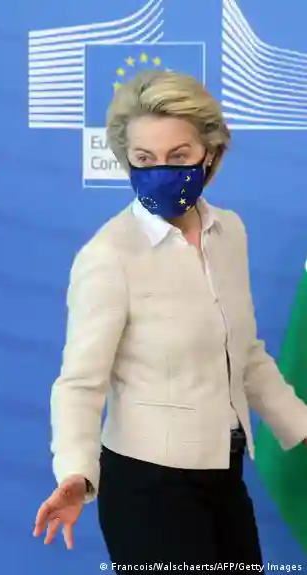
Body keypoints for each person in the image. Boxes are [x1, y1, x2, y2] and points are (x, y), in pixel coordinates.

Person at [32, 70, 307, 568]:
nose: (161, 171)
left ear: (210, 153)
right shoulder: (109, 255)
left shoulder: (230, 232)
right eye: (144, 159)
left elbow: (245, 355)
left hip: (224, 478)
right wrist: (75, 472)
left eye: (178, 156)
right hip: (148, 490)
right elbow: (79, 383)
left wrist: (302, 427)